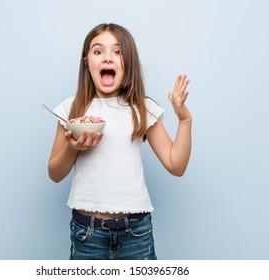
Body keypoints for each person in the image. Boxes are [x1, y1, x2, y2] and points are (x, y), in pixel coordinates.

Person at [48, 23, 192, 260]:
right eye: (98, 51)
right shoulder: (71, 108)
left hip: (136, 233)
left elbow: (176, 166)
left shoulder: (142, 108)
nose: (107, 58)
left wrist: (185, 120)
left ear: (129, 63)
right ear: (86, 62)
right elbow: (54, 173)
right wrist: (72, 148)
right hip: (87, 233)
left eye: (117, 52)